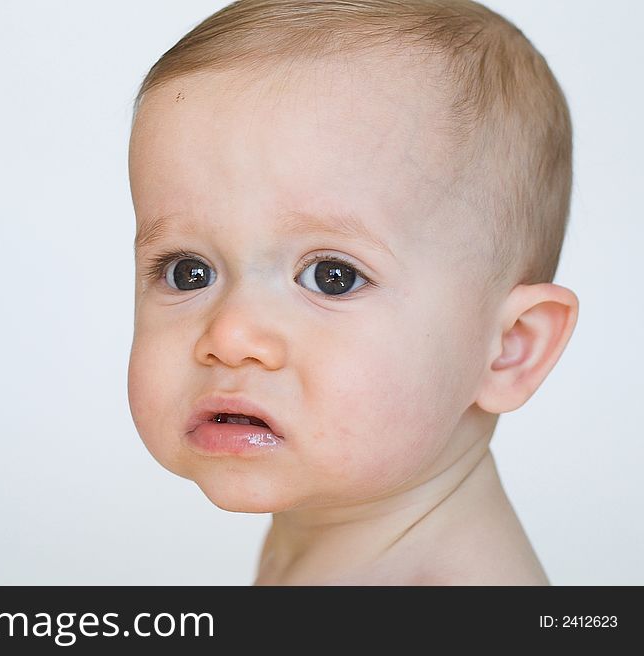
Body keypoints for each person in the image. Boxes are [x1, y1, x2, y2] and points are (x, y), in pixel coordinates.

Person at [126, 0, 578, 585]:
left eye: (331, 277)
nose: (231, 335)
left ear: (511, 347)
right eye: (189, 271)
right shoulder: (340, 526)